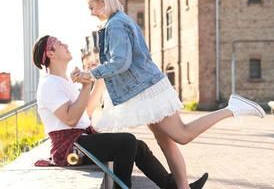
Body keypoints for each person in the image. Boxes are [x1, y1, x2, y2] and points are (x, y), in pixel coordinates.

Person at [72, 0, 266, 188]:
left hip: (147, 90)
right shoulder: (119, 21)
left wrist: (91, 74)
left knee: (182, 135)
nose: (91, 12)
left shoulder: (115, 24)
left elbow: (121, 61)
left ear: (102, 1)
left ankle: (231, 108)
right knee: (165, 143)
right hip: (144, 89)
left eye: (92, 7)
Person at [32, 35, 209, 189]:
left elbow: (85, 112)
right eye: (59, 44)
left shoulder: (63, 81)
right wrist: (86, 85)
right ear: (50, 53)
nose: (66, 45)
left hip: (80, 140)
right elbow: (70, 119)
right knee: (127, 142)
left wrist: (99, 80)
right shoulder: (49, 85)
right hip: (69, 147)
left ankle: (173, 186)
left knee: (138, 146)